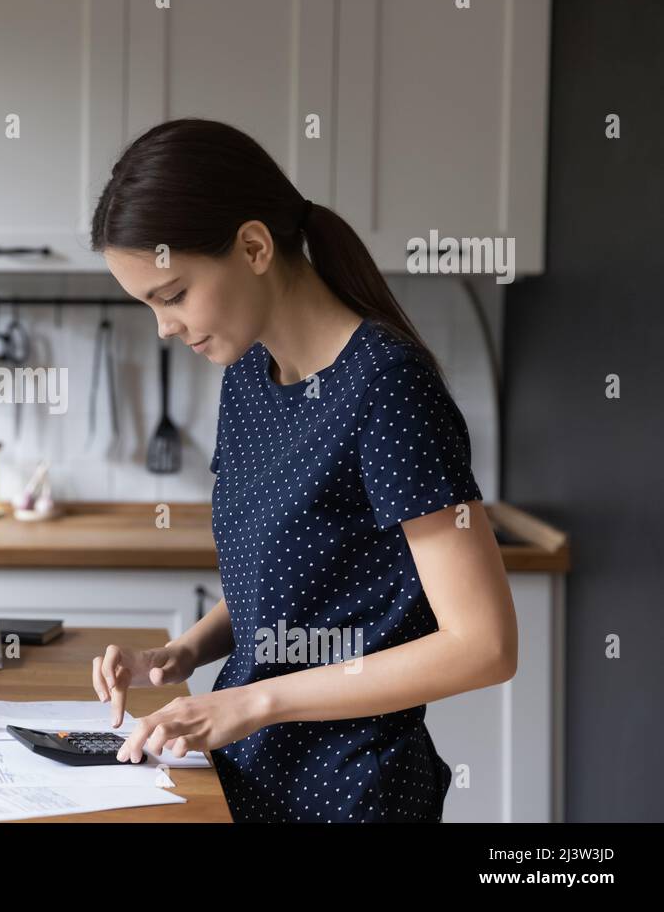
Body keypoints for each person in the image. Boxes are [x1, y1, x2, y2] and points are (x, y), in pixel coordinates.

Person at [89, 118, 517, 822]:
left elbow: (485, 646)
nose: (163, 327)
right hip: (255, 781)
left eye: (172, 295)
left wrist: (254, 701)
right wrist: (180, 652)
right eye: (148, 306)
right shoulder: (250, 376)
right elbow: (298, 579)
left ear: (254, 246)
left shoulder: (387, 388)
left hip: (353, 795)